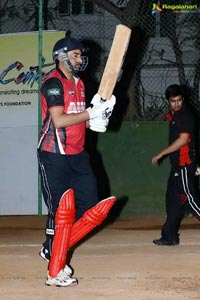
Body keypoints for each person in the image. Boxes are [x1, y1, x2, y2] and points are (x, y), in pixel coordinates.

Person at [37, 36, 116, 287]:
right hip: (54, 154)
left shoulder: (80, 84)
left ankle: (52, 248)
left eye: (81, 56)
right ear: (60, 56)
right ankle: (55, 265)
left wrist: (98, 118)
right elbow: (59, 120)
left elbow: (83, 119)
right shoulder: (53, 82)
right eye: (75, 55)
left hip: (78, 154)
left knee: (90, 205)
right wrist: (90, 113)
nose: (80, 59)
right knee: (59, 210)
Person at [151, 84, 200, 246]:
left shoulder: (184, 116)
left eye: (179, 100)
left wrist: (161, 153)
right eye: (173, 101)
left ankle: (169, 236)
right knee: (172, 200)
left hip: (184, 165)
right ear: (168, 101)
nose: (177, 104)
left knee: (190, 199)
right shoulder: (174, 117)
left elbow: (184, 140)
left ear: (183, 100)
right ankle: (169, 237)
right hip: (177, 166)